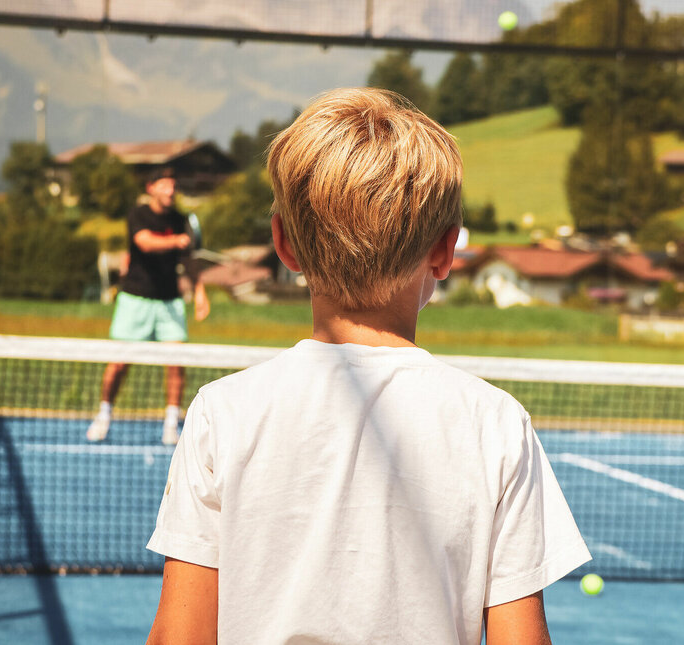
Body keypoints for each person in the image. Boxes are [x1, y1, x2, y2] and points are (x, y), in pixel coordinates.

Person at [145, 88, 590, 644]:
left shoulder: (221, 412)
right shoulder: (497, 423)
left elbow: (178, 636)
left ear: (283, 244)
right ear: (446, 251)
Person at [86, 168, 210, 446]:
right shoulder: (138, 215)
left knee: (177, 364)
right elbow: (145, 242)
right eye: (164, 184)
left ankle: (170, 424)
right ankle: (104, 415)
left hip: (169, 301)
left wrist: (200, 291)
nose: (170, 190)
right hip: (135, 298)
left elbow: (190, 261)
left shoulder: (180, 220)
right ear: (151, 187)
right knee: (119, 363)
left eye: (173, 185)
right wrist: (177, 241)